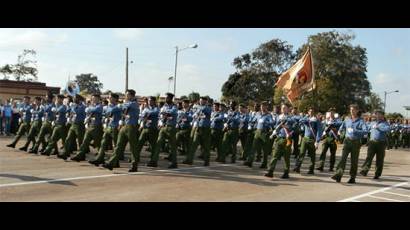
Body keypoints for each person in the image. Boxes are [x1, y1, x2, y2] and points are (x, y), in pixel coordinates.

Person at [103, 89, 140, 172]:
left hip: (131, 126)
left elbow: (126, 106)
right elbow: (120, 110)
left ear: (132, 96)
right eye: (126, 95)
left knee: (133, 147)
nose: (126, 96)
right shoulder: (126, 103)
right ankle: (111, 163)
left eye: (127, 95)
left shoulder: (134, 104)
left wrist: (120, 104)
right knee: (118, 146)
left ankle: (134, 165)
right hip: (124, 126)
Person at [331, 104, 368, 184]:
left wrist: (355, 131)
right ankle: (338, 174)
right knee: (342, 158)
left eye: (353, 109)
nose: (351, 111)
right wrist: (340, 130)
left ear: (357, 111)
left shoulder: (361, 121)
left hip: (356, 142)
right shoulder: (347, 119)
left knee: (354, 161)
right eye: (351, 109)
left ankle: (352, 177)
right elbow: (343, 126)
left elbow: (365, 131)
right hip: (347, 141)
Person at [88, 93, 123, 166]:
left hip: (115, 127)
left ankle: (115, 162)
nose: (109, 99)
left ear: (115, 99)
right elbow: (104, 114)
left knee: (116, 145)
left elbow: (113, 111)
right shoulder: (108, 107)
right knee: (103, 143)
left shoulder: (118, 107)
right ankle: (99, 158)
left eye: (110, 98)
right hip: (108, 126)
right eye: (109, 97)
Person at [264, 103, 295, 179]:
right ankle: (270, 171)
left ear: (288, 109)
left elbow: (294, 128)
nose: (283, 109)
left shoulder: (291, 117)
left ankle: (286, 172)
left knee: (286, 157)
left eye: (285, 108)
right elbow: (276, 126)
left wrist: (290, 132)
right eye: (282, 108)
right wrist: (275, 131)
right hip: (279, 138)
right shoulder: (279, 117)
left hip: (287, 139)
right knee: (274, 155)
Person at [148, 92, 178, 168]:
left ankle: (174, 163)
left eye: (167, 98)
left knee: (172, 146)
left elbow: (172, 113)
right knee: (158, 143)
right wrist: (164, 116)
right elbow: (160, 115)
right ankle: (154, 161)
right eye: (165, 98)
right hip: (163, 127)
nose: (165, 99)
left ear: (170, 99)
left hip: (171, 127)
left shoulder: (174, 106)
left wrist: (165, 113)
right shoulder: (164, 106)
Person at [70, 94, 103, 162]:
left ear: (99, 99)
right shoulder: (91, 106)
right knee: (85, 141)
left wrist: (89, 109)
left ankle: (101, 156)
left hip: (96, 126)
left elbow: (95, 110)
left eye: (95, 99)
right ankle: (80, 155)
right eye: (93, 99)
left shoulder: (100, 106)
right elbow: (88, 110)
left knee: (98, 143)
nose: (93, 100)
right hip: (90, 125)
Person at [359, 110, 390, 179]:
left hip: (381, 143)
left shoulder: (385, 123)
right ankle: (364, 170)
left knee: (379, 159)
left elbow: (387, 129)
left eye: (379, 114)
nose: (377, 116)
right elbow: (366, 128)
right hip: (372, 142)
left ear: (382, 115)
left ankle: (377, 174)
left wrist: (378, 127)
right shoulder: (372, 123)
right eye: (376, 114)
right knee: (369, 157)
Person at [183, 96, 212, 166]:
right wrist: (195, 111)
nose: (201, 102)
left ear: (205, 101)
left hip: (205, 128)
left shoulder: (207, 108)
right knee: (193, 143)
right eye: (200, 100)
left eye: (202, 101)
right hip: (198, 127)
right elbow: (194, 115)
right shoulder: (198, 107)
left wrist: (197, 110)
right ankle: (189, 160)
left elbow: (205, 111)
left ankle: (207, 161)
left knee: (205, 145)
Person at [244, 101, 273, 168]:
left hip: (265, 132)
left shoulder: (269, 115)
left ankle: (264, 164)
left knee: (265, 150)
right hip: (257, 131)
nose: (262, 107)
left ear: (266, 107)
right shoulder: (258, 114)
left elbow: (272, 123)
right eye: (261, 106)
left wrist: (266, 122)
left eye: (264, 106)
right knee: (253, 147)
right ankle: (250, 161)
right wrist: (250, 125)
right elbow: (253, 120)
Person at [131, 96, 159, 165]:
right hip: (145, 128)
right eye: (149, 101)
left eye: (151, 101)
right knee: (139, 143)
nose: (149, 102)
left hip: (153, 129)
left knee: (153, 146)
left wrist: (146, 115)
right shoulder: (146, 109)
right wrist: (145, 116)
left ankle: (153, 161)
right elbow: (141, 116)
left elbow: (154, 113)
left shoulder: (157, 109)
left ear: (154, 102)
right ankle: (135, 158)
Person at [293, 107, 322, 174]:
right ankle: (297, 167)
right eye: (309, 111)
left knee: (312, 155)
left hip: (312, 139)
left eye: (312, 111)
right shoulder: (307, 118)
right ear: (308, 112)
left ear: (314, 112)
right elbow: (300, 121)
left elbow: (319, 131)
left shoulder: (316, 120)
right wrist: (306, 118)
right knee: (301, 153)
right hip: (305, 138)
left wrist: (317, 141)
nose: (311, 112)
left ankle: (311, 169)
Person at [58, 94, 86, 160]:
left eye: (75, 98)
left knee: (80, 141)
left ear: (79, 99)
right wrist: (68, 107)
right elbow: (68, 111)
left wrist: (73, 107)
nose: (73, 99)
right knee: (68, 139)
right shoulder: (74, 105)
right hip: (73, 124)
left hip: (80, 125)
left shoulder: (82, 106)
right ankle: (65, 153)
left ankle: (81, 155)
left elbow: (77, 112)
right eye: (73, 98)